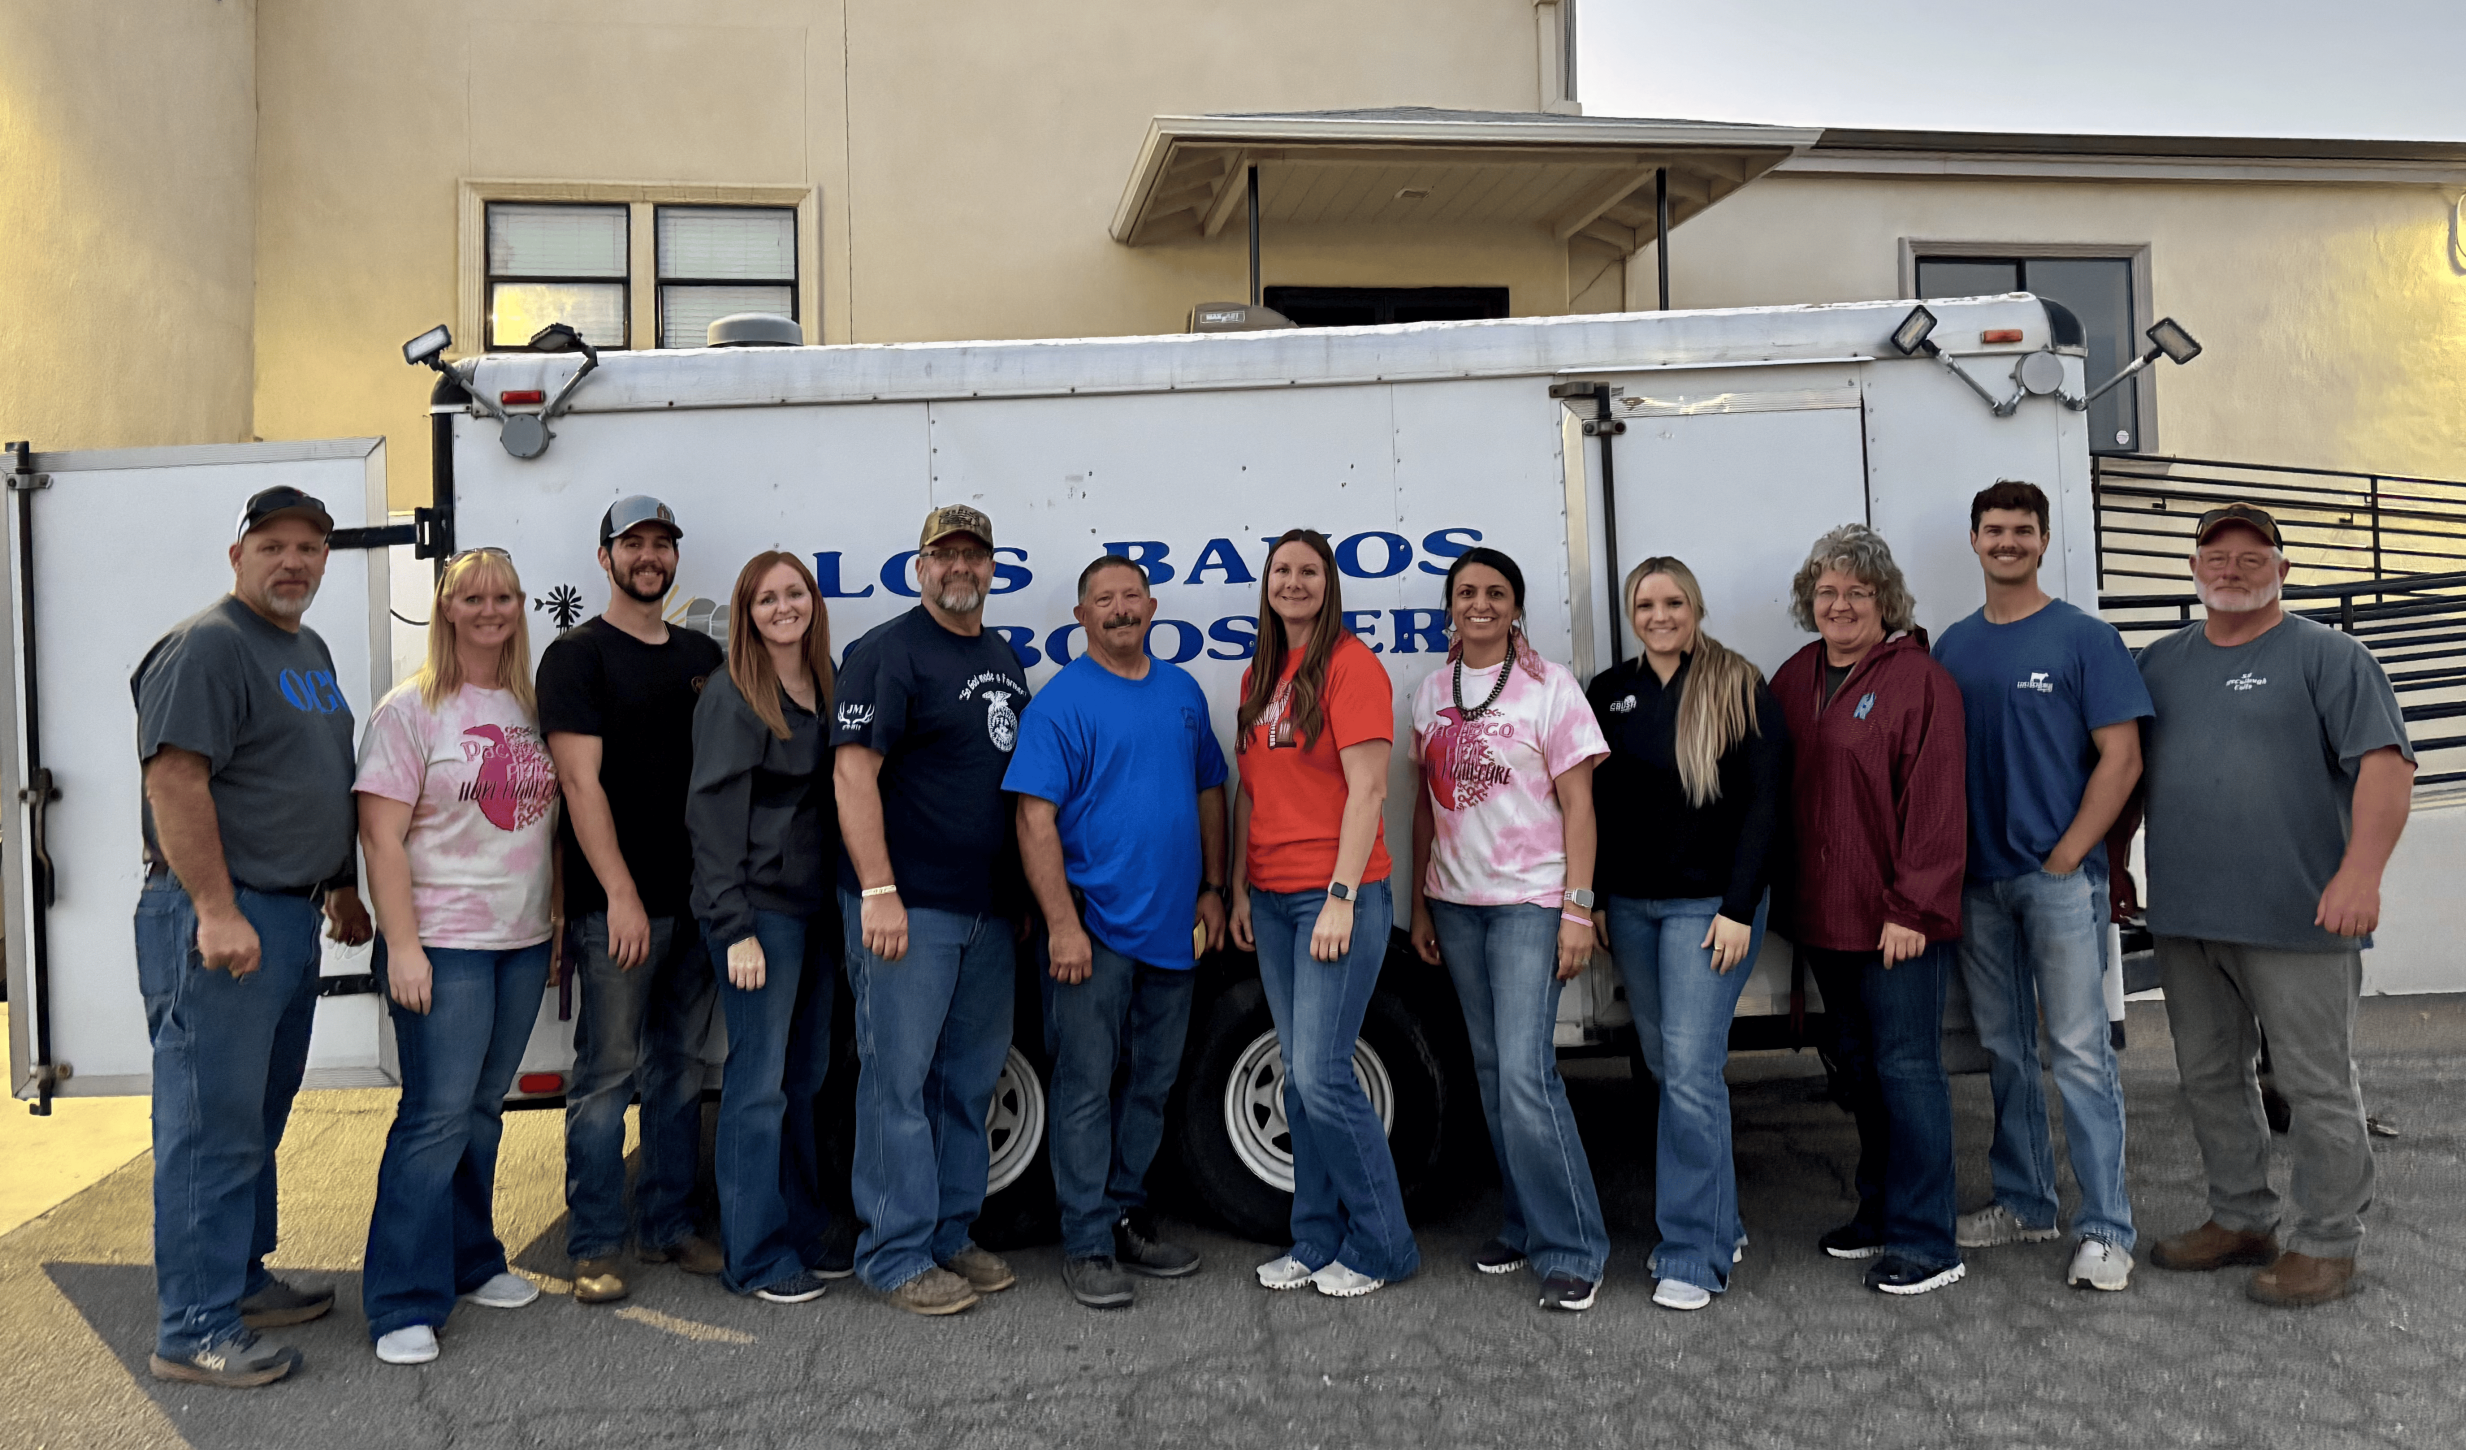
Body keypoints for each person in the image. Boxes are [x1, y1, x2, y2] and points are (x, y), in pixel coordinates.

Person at [2129, 503, 2413, 1308]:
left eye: (2253, 559)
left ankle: (2327, 1243)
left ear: (2282, 570)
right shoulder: (2161, 664)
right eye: (2216, 556)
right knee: (2211, 1077)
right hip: (2188, 919)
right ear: (2193, 569)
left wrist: (2362, 875)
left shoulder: (2330, 656)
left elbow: (2387, 771)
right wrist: (2115, 860)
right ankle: (2241, 1218)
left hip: (2300, 918)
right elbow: (2126, 772)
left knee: (2316, 1083)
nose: (2232, 570)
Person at [131, 486, 373, 1387]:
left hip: (288, 912)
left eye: (310, 548)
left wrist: (339, 883)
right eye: (273, 545)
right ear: (238, 556)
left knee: (253, 1120)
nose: (294, 562)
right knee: (208, 1130)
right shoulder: (208, 647)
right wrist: (217, 909)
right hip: (219, 920)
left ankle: (237, 1280)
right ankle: (192, 1327)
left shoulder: (303, 647)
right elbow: (178, 782)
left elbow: (307, 774)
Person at [1933, 481, 2151, 1293]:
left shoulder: (2085, 639)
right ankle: (2025, 1202)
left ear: (2043, 540)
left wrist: (2068, 858)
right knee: (2004, 1052)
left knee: (2081, 1056)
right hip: (1977, 884)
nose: (2008, 543)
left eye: (2022, 531)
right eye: (1994, 530)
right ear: (1974, 539)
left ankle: (2106, 1228)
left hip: (2058, 883)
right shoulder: (1953, 647)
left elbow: (2122, 758)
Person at [355, 547, 560, 1365]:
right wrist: (402, 945)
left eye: (503, 595)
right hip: (444, 942)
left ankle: (473, 1260)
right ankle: (401, 1298)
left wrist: (549, 918)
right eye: (471, 596)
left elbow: (544, 821)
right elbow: (380, 835)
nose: (489, 608)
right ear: (444, 608)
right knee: (434, 1117)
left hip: (519, 941)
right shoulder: (410, 710)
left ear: (520, 606)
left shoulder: (527, 703)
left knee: (482, 1109)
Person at [1006, 556, 1229, 1309]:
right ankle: (1087, 1243)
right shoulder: (1061, 704)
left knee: (1153, 1085)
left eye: (1131, 596)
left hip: (1175, 928)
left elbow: (1209, 789)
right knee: (1084, 1088)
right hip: (1092, 932)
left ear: (1153, 606)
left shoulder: (1183, 691)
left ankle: (1128, 1212)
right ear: (1082, 618)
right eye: (1104, 600)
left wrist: (1214, 889)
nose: (1120, 609)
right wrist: (1063, 927)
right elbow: (1033, 818)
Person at [833, 504, 1033, 1316]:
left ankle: (949, 1233)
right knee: (897, 1084)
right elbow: (852, 778)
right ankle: (891, 1251)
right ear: (920, 568)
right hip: (907, 911)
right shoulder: (886, 652)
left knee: (967, 1085)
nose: (960, 568)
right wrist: (879, 890)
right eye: (944, 555)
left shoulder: (1002, 656)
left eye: (973, 556)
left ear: (992, 569)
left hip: (986, 914)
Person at [1406, 547, 1610, 1312]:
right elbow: (1426, 804)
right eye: (1466, 592)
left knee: (1528, 1078)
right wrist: (1421, 903)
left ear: (1516, 606)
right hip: (1457, 905)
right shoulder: (1429, 693)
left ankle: (1576, 1248)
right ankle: (1525, 1223)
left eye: (1495, 592)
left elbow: (1581, 807)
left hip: (1530, 902)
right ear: (1450, 606)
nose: (1480, 603)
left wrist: (1578, 910)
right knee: (1492, 1076)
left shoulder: (1550, 689)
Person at [1771, 523, 1969, 1297]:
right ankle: (1881, 1210)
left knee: (1908, 1069)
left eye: (1858, 591)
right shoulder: (1794, 678)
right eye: (1827, 591)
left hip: (1897, 924)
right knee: (1860, 1070)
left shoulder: (1920, 681)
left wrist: (1913, 908)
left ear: (1885, 601)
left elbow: (1936, 804)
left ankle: (1927, 1240)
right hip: (1827, 919)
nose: (1841, 604)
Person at [539, 496, 727, 1305]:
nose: (649, 557)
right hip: (619, 906)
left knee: (680, 1069)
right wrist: (616, 893)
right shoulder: (576, 658)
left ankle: (668, 1225)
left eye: (661, 545)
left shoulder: (700, 656)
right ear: (605, 556)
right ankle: (594, 1243)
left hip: (696, 903)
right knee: (607, 1075)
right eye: (633, 544)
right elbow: (578, 785)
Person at [1586, 556, 1786, 1313]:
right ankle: (1721, 1221)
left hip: (1711, 910)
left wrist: (1739, 908)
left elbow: (1766, 809)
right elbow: (1596, 804)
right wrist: (1600, 898)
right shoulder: (1611, 693)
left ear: (1695, 607)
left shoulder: (1739, 686)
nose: (1659, 614)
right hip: (1634, 910)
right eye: (1645, 603)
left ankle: (1693, 1253)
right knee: (1673, 1073)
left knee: (1693, 1076)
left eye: (1673, 602)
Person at [1231, 528, 1420, 1299]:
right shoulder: (1262, 671)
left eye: (1309, 571)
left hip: (1333, 896)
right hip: (1272, 899)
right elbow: (1254, 791)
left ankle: (1383, 1244)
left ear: (1330, 584)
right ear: (1267, 583)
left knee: (1322, 1073)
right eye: (1283, 570)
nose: (1295, 582)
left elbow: (1370, 792)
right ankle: (1314, 1237)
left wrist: (1340, 896)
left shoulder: (1352, 666)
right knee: (1299, 1081)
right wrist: (1244, 887)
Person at [687, 551, 844, 1306]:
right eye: (766, 599)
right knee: (756, 1086)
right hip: (759, 915)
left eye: (794, 594)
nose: (783, 607)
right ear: (746, 615)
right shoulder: (734, 694)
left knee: (804, 1079)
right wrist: (733, 927)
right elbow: (711, 817)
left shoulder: (827, 681)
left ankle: (805, 1225)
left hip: (818, 912)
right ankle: (753, 1254)